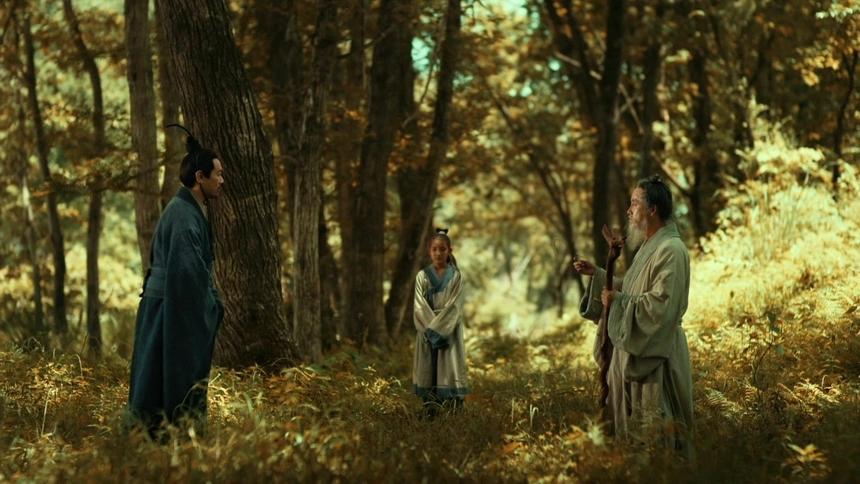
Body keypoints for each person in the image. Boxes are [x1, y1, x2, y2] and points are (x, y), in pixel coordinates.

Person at [574, 175, 694, 455]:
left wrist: (617, 301)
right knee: (633, 439)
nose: (628, 211)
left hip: (657, 354)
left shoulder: (671, 250)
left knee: (659, 436)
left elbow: (661, 305)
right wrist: (600, 275)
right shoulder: (649, 247)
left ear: (652, 209)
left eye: (635, 203)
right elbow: (633, 290)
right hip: (635, 350)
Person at [127, 126, 225, 438]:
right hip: (168, 307)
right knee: (165, 375)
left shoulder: (187, 210)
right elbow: (186, 275)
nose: (222, 180)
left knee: (155, 375)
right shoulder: (183, 216)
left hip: (165, 304)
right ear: (200, 177)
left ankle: (154, 435)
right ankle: (167, 437)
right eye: (217, 174)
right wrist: (212, 305)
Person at [412, 228, 469, 417]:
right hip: (427, 331)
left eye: (442, 249)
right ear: (429, 251)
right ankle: (430, 411)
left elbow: (455, 307)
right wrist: (432, 331)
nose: (438, 253)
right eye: (434, 249)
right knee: (428, 371)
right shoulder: (422, 276)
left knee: (449, 369)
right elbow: (419, 307)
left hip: (449, 332)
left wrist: (440, 330)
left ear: (449, 251)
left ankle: (453, 412)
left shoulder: (456, 276)